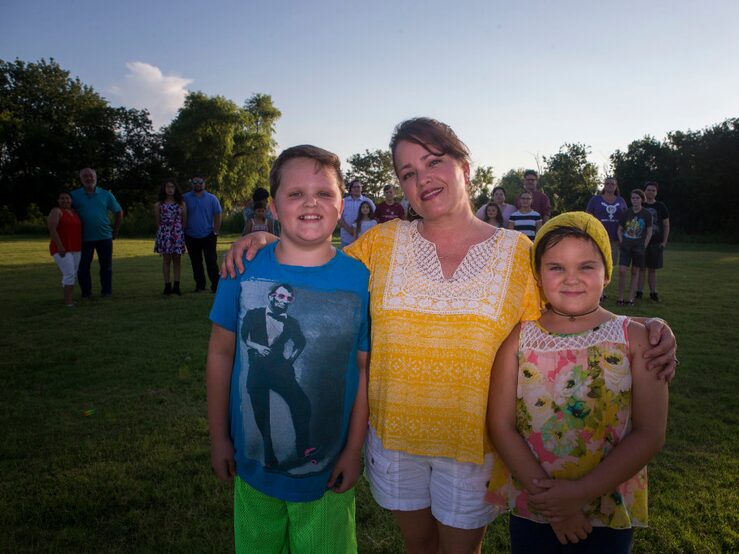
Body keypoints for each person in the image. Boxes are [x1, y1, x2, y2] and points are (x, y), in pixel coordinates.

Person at [221, 117, 678, 554]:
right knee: (419, 548)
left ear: (464, 166)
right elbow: (313, 261)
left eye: (434, 161)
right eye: (408, 171)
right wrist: (263, 240)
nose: (422, 178)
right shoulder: (381, 244)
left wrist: (643, 330)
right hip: (395, 439)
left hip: (473, 443)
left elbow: (570, 304)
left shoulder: (518, 254)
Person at [206, 144, 370, 553]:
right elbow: (221, 354)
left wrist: (353, 450)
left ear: (341, 206)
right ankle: (274, 452)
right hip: (252, 468)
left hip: (328, 475)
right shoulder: (243, 270)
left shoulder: (361, 280)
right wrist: (219, 438)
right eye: (295, 194)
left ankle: (303, 450)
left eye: (324, 193)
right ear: (274, 208)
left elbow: (365, 370)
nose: (310, 203)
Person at [487, 212, 668, 553]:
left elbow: (650, 432)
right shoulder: (519, 340)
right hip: (537, 507)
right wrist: (554, 505)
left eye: (586, 266)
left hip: (607, 506)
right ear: (538, 275)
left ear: (607, 273)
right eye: (556, 267)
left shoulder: (638, 340)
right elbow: (500, 426)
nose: (572, 279)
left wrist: (581, 493)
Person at [71, 168, 123, 299]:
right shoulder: (74, 195)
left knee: (106, 267)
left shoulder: (106, 194)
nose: (89, 178)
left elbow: (119, 212)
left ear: (96, 177)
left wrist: (115, 231)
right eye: (85, 176)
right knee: (83, 267)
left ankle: (106, 292)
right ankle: (86, 293)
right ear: (81, 179)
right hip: (83, 238)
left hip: (104, 236)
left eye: (91, 175)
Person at [183, 176, 222, 293]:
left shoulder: (212, 198)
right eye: (195, 182)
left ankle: (216, 286)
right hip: (190, 235)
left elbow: (218, 214)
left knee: (211, 261)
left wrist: (216, 230)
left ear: (204, 183)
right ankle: (200, 286)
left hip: (208, 235)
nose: (198, 184)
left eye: (200, 182)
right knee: (196, 262)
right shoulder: (185, 198)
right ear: (192, 184)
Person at [47, 190, 83, 307]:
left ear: (71, 200)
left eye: (67, 198)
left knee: (73, 273)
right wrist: (60, 246)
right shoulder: (56, 211)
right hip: (62, 248)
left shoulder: (74, 212)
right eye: (62, 198)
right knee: (69, 274)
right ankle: (68, 302)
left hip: (75, 248)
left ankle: (68, 298)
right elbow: (52, 229)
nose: (65, 200)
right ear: (58, 200)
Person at [617, 189, 653, 305]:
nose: (635, 200)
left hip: (639, 246)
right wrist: (622, 241)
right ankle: (620, 298)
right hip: (626, 245)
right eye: (633, 198)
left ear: (642, 199)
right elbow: (620, 230)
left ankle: (630, 299)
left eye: (637, 198)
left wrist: (644, 245)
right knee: (622, 271)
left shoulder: (646, 214)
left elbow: (649, 232)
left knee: (635, 272)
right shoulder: (626, 213)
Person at [638, 182, 670, 302]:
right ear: (644, 191)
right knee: (641, 268)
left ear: (656, 192)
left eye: (653, 190)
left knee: (652, 269)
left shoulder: (661, 206)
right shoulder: (640, 205)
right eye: (648, 190)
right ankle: (639, 292)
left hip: (656, 242)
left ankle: (653, 293)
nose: (650, 192)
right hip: (641, 242)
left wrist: (664, 241)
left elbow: (666, 225)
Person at [154, 179, 187, 296]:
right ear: (164, 189)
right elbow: (158, 222)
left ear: (175, 189)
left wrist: (178, 231)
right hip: (165, 234)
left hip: (177, 234)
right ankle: (167, 286)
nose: (170, 189)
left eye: (172, 187)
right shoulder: (159, 205)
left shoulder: (181, 204)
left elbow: (184, 221)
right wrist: (164, 232)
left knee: (177, 261)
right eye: (168, 187)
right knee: (166, 260)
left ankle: (177, 286)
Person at [586, 177, 628, 267]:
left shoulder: (621, 201)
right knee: (597, 263)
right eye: (607, 184)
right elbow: (588, 217)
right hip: (598, 237)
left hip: (615, 238)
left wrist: (623, 237)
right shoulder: (595, 200)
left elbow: (626, 219)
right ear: (604, 186)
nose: (610, 186)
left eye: (612, 184)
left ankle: (607, 281)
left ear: (616, 186)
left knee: (610, 265)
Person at [339, 179, 375, 247]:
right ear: (350, 189)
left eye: (358, 187)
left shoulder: (368, 201)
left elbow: (374, 216)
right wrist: (349, 230)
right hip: (346, 238)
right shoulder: (343, 201)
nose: (356, 189)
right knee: (346, 257)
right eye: (354, 187)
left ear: (361, 188)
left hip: (364, 239)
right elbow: (338, 217)